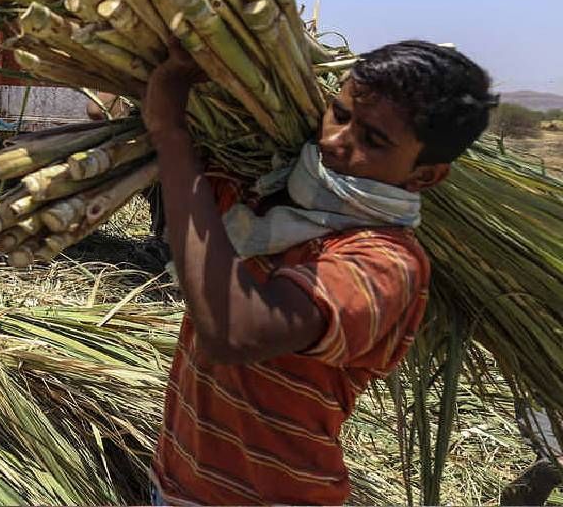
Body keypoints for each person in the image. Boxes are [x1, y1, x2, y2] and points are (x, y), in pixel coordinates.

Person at [144, 40, 495, 504]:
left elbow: (233, 333)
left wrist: (170, 131)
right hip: (174, 482)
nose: (333, 140)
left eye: (372, 140)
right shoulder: (268, 194)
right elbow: (187, 198)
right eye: (339, 113)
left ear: (425, 176)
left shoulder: (384, 263)